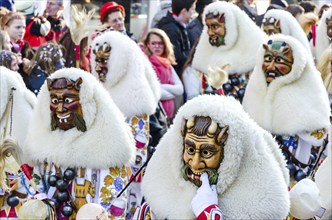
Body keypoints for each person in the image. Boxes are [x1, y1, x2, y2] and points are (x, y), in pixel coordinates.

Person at [135, 95, 290, 219]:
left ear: (230, 154)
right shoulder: (157, 200)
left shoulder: (260, 210)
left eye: (206, 153)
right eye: (189, 149)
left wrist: (207, 214)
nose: (195, 164)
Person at [23, 68, 136, 219]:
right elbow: (35, 190)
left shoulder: (108, 150)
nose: (60, 109)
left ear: (86, 104)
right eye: (55, 101)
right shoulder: (43, 145)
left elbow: (115, 206)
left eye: (68, 100)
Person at [90, 31, 161, 218]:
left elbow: (138, 147)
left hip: (123, 173)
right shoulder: (99, 89)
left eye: (104, 61)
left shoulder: (135, 98)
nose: (98, 68)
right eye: (96, 61)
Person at [242, 35, 331, 184]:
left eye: (278, 61)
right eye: (267, 59)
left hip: (295, 175)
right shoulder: (254, 89)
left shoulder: (309, 92)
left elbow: (318, 137)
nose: (270, 67)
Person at [192, 1, 267, 102]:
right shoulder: (209, 59)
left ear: (229, 26)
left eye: (215, 26)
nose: (209, 33)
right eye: (208, 27)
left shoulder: (254, 58)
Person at [142, 28, 183, 122]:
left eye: (160, 43)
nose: (157, 46)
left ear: (165, 45)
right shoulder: (146, 63)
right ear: (148, 44)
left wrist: (162, 87)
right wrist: (171, 91)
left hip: (169, 115)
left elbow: (180, 90)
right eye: (153, 43)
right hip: (155, 117)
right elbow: (154, 92)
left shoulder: (167, 63)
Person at [156, 0, 197, 76]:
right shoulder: (171, 29)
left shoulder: (179, 25)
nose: (193, 13)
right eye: (192, 10)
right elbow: (176, 58)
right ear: (184, 11)